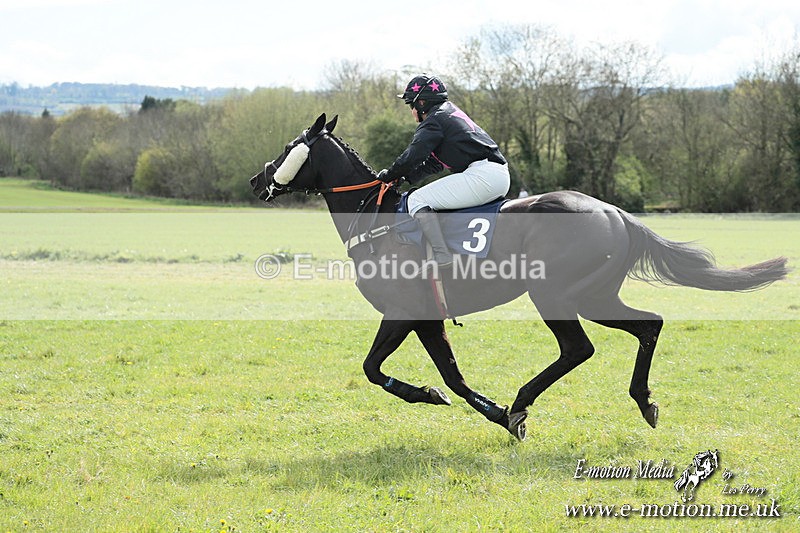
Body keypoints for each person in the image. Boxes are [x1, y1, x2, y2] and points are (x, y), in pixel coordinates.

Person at [378, 75, 510, 267]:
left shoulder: (434, 120)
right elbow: (434, 163)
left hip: (483, 176)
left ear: (422, 103)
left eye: (411, 105)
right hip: (495, 175)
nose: (412, 111)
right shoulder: (448, 113)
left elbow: (413, 155)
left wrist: (389, 175)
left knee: (416, 200)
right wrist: (405, 178)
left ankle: (442, 255)